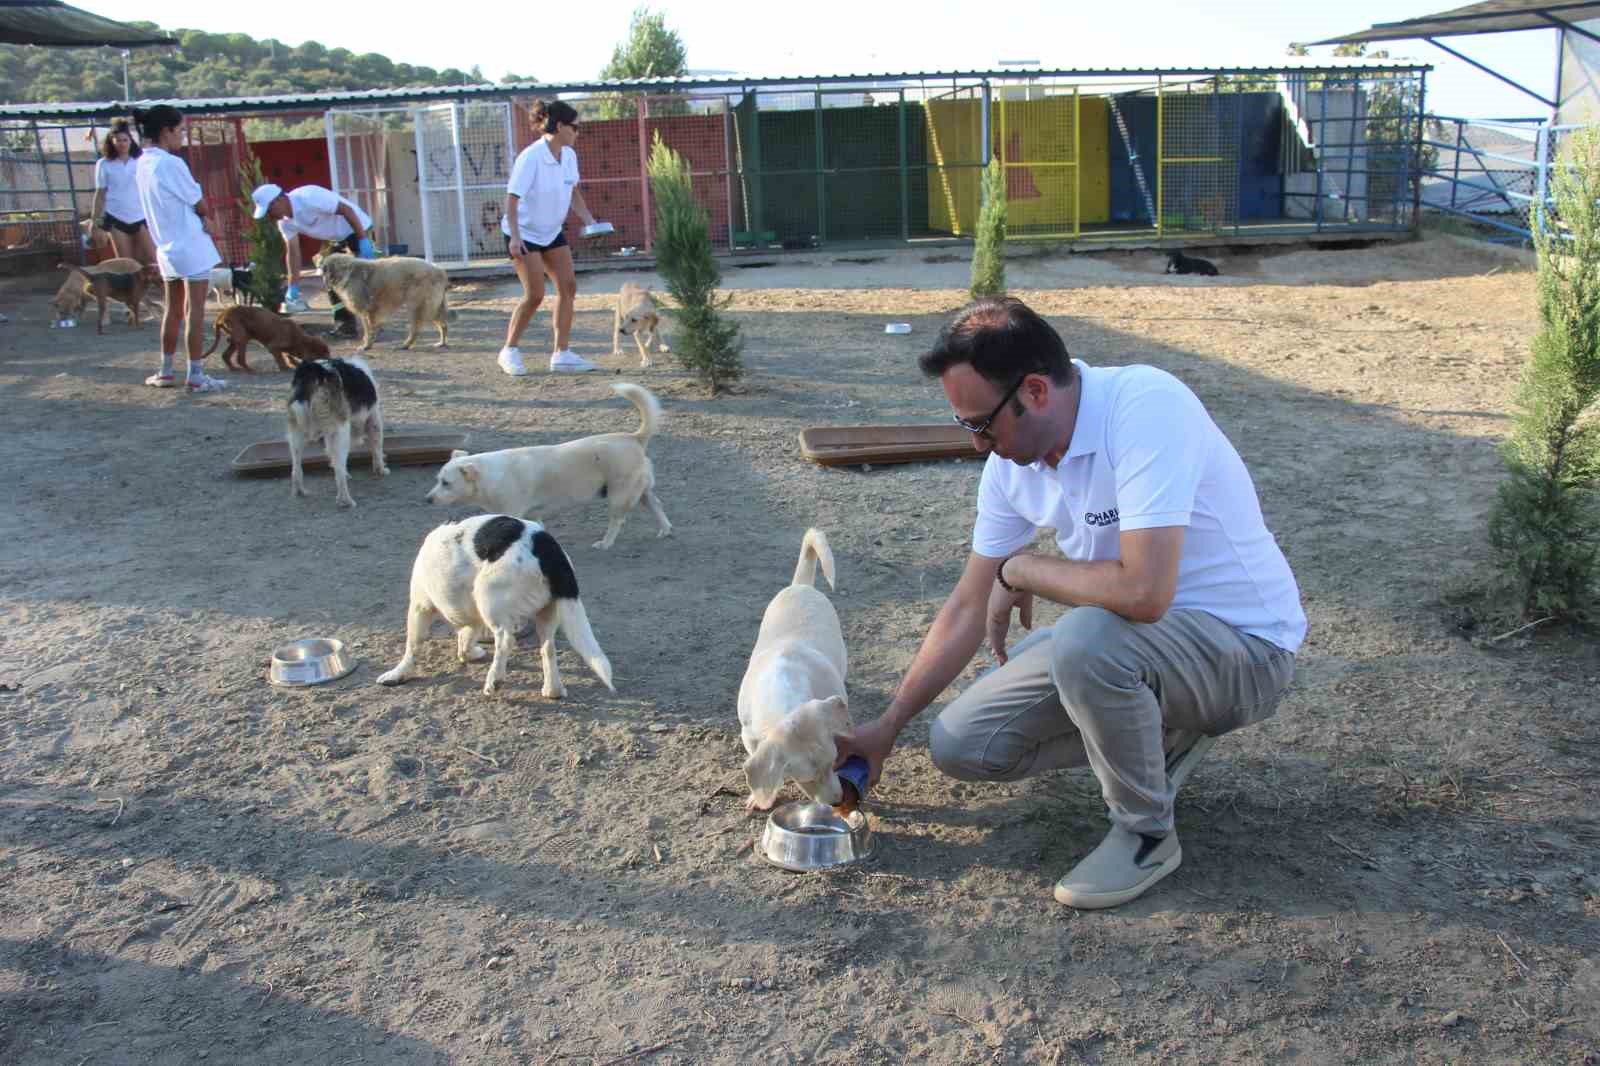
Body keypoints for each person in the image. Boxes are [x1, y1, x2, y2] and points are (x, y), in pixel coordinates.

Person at [836, 297, 1305, 909]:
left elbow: (1144, 593)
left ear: (1034, 391)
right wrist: (888, 727)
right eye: (965, 427)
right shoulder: (1013, 464)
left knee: (1086, 643)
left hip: (1244, 649)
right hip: (1137, 646)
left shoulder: (1145, 406)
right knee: (961, 743)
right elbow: (967, 604)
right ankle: (1156, 729)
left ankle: (1145, 835)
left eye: (981, 425)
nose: (977, 444)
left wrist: (1026, 567)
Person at [498, 99, 600, 376]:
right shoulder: (531, 157)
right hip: (523, 233)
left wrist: (590, 221)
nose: (578, 132)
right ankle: (509, 350)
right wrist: (515, 238)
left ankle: (562, 354)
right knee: (535, 295)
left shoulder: (568, 155)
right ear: (559, 126)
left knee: (568, 287)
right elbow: (511, 199)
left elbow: (573, 192)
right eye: (575, 127)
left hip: (551, 232)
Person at [132, 105, 225, 394]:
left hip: (167, 248)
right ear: (166, 131)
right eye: (180, 131)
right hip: (190, 245)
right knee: (194, 310)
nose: (181, 137)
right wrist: (210, 221)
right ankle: (196, 375)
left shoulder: (142, 163)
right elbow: (197, 201)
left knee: (173, 309)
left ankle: (166, 371)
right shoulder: (170, 163)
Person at [249, 182, 376, 338]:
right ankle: (345, 326)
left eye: (269, 210)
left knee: (365, 279)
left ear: (279, 200)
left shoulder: (309, 196)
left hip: (356, 227)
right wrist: (293, 285)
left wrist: (362, 240)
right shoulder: (284, 223)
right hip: (334, 237)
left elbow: (347, 210)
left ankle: (375, 323)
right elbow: (293, 252)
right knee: (331, 277)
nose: (269, 216)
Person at [89, 119, 156, 266]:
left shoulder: (141, 160)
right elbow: (100, 194)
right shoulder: (104, 164)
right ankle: (134, 289)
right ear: (111, 142)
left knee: (153, 260)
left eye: (125, 140)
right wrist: (94, 222)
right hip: (116, 218)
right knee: (127, 264)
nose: (122, 144)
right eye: (118, 140)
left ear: (131, 141)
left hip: (141, 217)